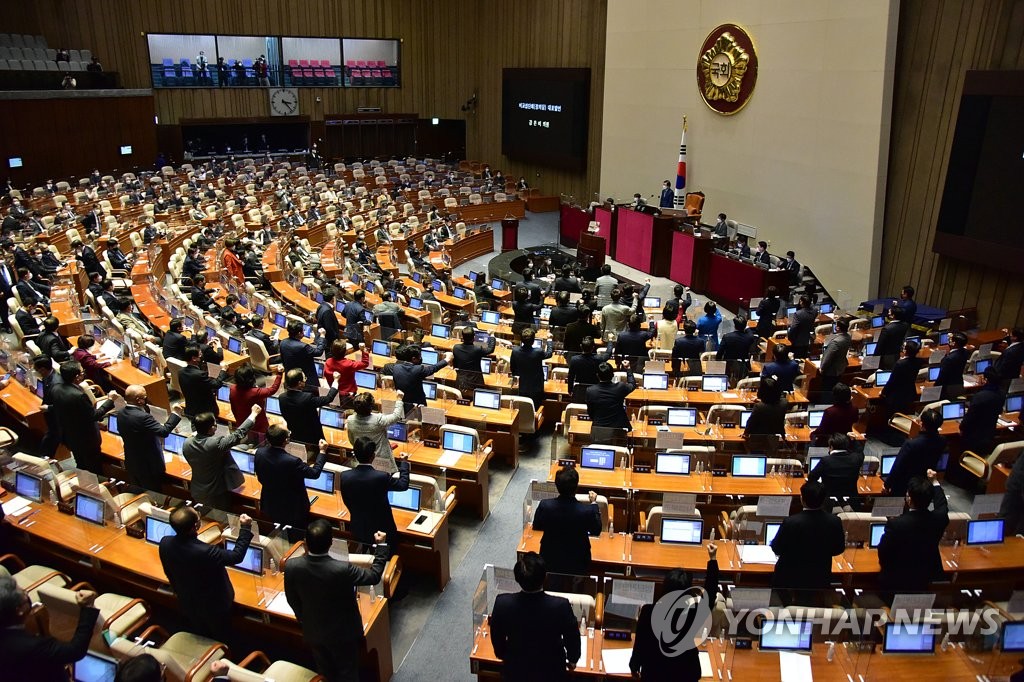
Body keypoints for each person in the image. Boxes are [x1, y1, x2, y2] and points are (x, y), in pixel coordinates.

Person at [284, 519, 390, 682]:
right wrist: (381, 546)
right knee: (348, 673)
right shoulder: (342, 569)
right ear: (331, 542)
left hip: (314, 632)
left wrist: (304, 620)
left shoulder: (292, 566)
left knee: (325, 672)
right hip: (344, 634)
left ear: (305, 543)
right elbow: (374, 576)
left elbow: (292, 599)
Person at [159, 507, 255, 640]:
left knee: (199, 630)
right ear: (195, 526)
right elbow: (236, 556)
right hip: (214, 605)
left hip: (186, 599)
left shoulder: (165, 542)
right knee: (220, 635)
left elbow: (168, 571)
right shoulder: (205, 552)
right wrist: (245, 528)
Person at [629, 544, 718, 682]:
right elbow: (710, 594)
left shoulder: (648, 611)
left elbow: (640, 644)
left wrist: (634, 666)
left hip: (654, 675)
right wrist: (712, 559)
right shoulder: (693, 614)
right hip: (685, 675)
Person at [490, 552, 582, 682]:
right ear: (545, 577)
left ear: (517, 578)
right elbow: (572, 640)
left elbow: (497, 642)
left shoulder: (502, 603)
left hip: (515, 672)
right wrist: (573, 659)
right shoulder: (560, 606)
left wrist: (506, 655)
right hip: (552, 673)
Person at [0, 576, 99, 682]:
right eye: (24, 594)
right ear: (19, 610)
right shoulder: (35, 646)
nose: (27, 592)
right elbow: (75, 650)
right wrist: (88, 607)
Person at [877, 470, 949, 594]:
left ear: (909, 499)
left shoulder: (896, 524)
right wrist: (935, 482)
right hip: (924, 579)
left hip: (895, 582)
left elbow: (883, 552)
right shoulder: (939, 519)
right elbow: (942, 505)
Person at [770, 481, 845, 595]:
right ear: (824, 500)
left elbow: (777, 548)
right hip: (820, 576)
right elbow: (838, 549)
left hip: (789, 578)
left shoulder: (791, 522)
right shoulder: (835, 521)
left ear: (802, 499)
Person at [255, 425, 328, 540]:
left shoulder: (259, 453)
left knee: (281, 532)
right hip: (293, 508)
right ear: (286, 440)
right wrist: (322, 452)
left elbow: (260, 477)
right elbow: (314, 473)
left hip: (271, 503)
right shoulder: (292, 461)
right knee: (296, 537)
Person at [339, 436, 411, 547]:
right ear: (373, 456)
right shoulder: (381, 477)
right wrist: (404, 463)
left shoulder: (345, 476)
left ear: (355, 455)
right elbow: (403, 485)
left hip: (359, 527)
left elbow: (346, 501)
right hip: (383, 529)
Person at [182, 408, 258, 510]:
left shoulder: (187, 442)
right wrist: (253, 414)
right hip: (215, 493)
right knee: (220, 517)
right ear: (212, 428)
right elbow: (237, 435)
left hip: (197, 489)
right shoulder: (215, 444)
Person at [533, 466, 602, 577]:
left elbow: (537, 526)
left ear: (557, 486)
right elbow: (596, 531)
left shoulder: (545, 505)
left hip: (550, 559)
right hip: (578, 563)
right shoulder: (587, 511)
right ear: (576, 486)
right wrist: (594, 503)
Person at [51, 361, 117, 474]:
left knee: (81, 464)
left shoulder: (56, 389)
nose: (83, 374)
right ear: (77, 377)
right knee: (94, 468)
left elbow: (73, 413)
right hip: (87, 439)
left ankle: (85, 485)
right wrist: (110, 400)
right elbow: (93, 415)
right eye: (82, 372)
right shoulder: (79, 396)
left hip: (70, 436)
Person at [117, 385, 184, 491]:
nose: (147, 398)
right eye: (145, 396)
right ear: (139, 400)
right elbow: (163, 432)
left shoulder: (121, 413)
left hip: (132, 460)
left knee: (140, 487)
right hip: (149, 464)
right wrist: (175, 413)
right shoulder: (142, 417)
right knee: (154, 491)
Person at [885, 408, 945, 497]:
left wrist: (887, 484)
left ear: (922, 425)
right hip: (925, 482)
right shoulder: (942, 441)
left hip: (905, 484)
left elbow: (898, 466)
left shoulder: (911, 444)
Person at [279, 368, 340, 446]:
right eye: (305, 378)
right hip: (313, 435)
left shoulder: (281, 397)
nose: (305, 380)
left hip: (295, 434)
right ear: (300, 383)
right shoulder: (307, 398)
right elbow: (328, 398)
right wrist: (336, 380)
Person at [229, 362, 282, 444]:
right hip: (259, 425)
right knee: (261, 443)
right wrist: (279, 374)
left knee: (250, 440)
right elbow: (273, 389)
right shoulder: (255, 392)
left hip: (242, 422)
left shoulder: (232, 389)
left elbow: (233, 408)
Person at [807, 433, 865, 506]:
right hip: (852, 502)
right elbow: (860, 451)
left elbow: (812, 478)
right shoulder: (855, 459)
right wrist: (854, 440)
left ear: (831, 446)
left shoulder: (826, 461)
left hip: (830, 503)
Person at [391, 344, 451, 414]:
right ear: (413, 359)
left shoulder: (396, 367)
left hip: (402, 403)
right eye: (419, 357)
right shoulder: (418, 369)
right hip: (418, 406)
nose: (421, 359)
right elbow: (433, 368)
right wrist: (447, 360)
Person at [959, 366, 1005, 456]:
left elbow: (970, 418)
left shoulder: (980, 397)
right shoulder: (1002, 394)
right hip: (989, 434)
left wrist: (962, 427)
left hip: (973, 438)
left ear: (986, 380)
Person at [180, 344, 228, 418]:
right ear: (194, 358)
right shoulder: (199, 374)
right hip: (205, 412)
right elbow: (216, 384)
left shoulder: (181, 372)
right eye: (200, 354)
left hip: (191, 409)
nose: (201, 356)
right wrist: (223, 370)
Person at [280, 320, 328, 393]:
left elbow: (283, 360)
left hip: (290, 378)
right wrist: (322, 336)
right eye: (303, 330)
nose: (304, 331)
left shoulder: (283, 342)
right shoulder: (303, 346)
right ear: (299, 333)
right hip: (305, 382)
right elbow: (318, 352)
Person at [586, 360, 635, 430]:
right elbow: (632, 384)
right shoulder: (620, 387)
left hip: (598, 429)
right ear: (612, 375)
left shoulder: (590, 391)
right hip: (618, 430)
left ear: (597, 375)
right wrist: (628, 368)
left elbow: (590, 412)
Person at [510, 327, 552, 408]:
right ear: (533, 341)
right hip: (536, 389)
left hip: (521, 387)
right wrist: (549, 340)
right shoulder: (538, 352)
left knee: (522, 409)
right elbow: (549, 354)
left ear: (521, 340)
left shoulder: (515, 351)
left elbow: (513, 368)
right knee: (535, 408)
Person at [881, 339, 923, 418]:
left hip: (897, 397)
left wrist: (883, 392)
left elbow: (892, 381)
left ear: (906, 351)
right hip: (910, 393)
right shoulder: (918, 362)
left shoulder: (900, 364)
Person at [324, 339, 370, 405]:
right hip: (348, 395)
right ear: (345, 351)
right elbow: (365, 363)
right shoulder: (348, 364)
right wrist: (363, 350)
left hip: (333, 392)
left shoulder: (328, 362)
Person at [453, 327, 496, 395]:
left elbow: (455, 364)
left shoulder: (456, 348)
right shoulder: (477, 349)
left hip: (461, 382)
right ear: (474, 337)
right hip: (475, 383)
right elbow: (490, 349)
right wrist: (492, 335)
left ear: (462, 337)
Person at [33, 355, 62, 457]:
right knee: (49, 440)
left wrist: (48, 408)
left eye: (36, 369)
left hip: (58, 419)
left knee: (50, 442)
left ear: (43, 369)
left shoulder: (56, 383)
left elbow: (64, 405)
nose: (35, 371)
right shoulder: (47, 377)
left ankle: (45, 460)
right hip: (51, 418)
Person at [716, 316, 756, 385]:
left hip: (729, 365)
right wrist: (746, 327)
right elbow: (750, 333)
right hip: (743, 366)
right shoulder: (749, 337)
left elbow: (720, 353)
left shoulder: (727, 337)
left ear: (734, 326)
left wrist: (718, 363)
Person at [818, 317, 852, 395]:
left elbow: (828, 357)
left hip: (831, 371)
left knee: (827, 391)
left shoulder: (836, 342)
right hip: (840, 368)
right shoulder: (848, 337)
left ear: (837, 328)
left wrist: (822, 368)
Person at [935, 332, 969, 399]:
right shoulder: (965, 352)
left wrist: (935, 387)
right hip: (959, 384)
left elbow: (942, 377)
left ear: (954, 343)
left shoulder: (948, 359)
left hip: (948, 388)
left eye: (950, 340)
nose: (948, 341)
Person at [787, 295, 818, 359]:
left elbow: (793, 328)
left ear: (801, 302)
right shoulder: (815, 311)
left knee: (797, 358)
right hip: (807, 338)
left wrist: (790, 337)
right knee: (804, 356)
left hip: (798, 340)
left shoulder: (798, 313)